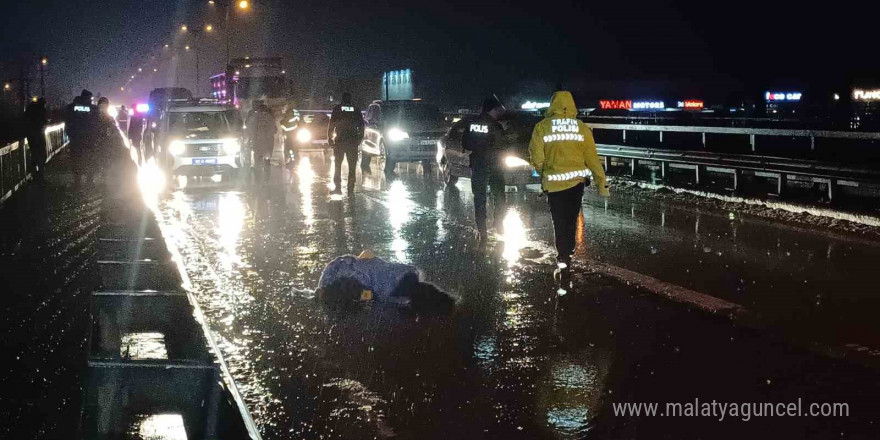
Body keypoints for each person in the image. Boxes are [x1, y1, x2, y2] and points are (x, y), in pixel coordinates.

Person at [528, 91, 609, 289]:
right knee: (571, 221)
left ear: (552, 105)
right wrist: (602, 184)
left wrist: (545, 171)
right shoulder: (582, 128)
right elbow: (592, 159)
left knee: (559, 222)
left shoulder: (542, 127)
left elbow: (535, 156)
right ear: (572, 105)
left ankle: (562, 259)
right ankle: (567, 258)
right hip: (576, 185)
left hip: (554, 185)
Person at [316, 250, 455, 313]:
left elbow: (369, 295)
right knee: (417, 292)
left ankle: (446, 305)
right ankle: (446, 303)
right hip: (397, 274)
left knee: (417, 296)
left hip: (394, 283)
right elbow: (363, 256)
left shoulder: (340, 280)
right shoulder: (334, 269)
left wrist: (366, 299)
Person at [454, 95, 506, 243]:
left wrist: (479, 147)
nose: (498, 112)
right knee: (500, 196)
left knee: (480, 198)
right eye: (497, 110)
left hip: (478, 164)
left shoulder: (472, 124)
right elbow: (501, 145)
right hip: (495, 165)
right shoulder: (496, 126)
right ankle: (499, 224)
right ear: (492, 110)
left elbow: (465, 143)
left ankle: (482, 230)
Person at [326, 92, 364, 194]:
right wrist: (359, 138)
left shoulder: (337, 109)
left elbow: (331, 125)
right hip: (352, 141)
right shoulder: (356, 109)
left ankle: (338, 188)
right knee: (352, 166)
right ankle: (350, 188)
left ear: (342, 99)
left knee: (338, 165)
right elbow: (361, 125)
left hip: (340, 141)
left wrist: (329, 138)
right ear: (350, 99)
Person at [63, 90, 100, 185]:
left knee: (76, 159)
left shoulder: (72, 107)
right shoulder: (94, 108)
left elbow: (67, 121)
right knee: (90, 159)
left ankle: (77, 180)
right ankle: (90, 180)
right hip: (89, 138)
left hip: (76, 138)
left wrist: (70, 134)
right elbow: (97, 123)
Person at [246, 100, 277, 184]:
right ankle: (267, 180)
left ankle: (257, 180)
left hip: (257, 143)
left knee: (257, 161)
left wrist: (251, 140)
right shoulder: (269, 117)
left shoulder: (253, 117)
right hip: (268, 143)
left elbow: (249, 129)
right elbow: (274, 130)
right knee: (267, 161)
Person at [25, 98, 47, 178]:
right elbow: (43, 121)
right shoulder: (40, 110)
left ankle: (33, 173)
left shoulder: (31, 108)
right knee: (41, 154)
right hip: (38, 134)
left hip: (31, 135)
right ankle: (40, 173)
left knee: (34, 153)